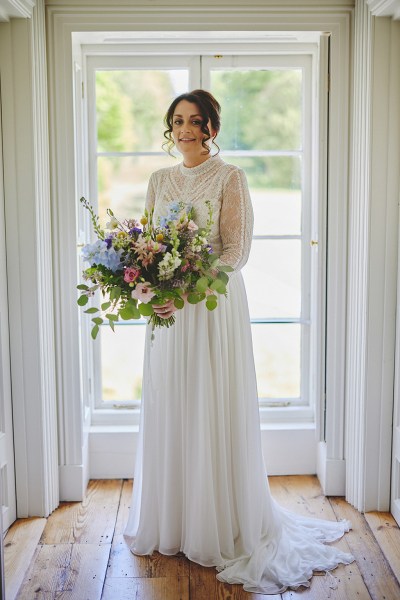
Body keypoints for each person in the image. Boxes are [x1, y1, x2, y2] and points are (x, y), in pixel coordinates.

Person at [123, 89, 354, 594]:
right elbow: (148, 245)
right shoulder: (160, 179)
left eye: (195, 121)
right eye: (178, 121)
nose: (185, 129)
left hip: (209, 306)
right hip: (166, 312)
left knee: (210, 403)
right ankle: (176, 521)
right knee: (173, 403)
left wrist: (185, 291)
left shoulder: (231, 177)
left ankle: (218, 522)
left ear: (211, 128)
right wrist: (148, 286)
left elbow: (235, 251)